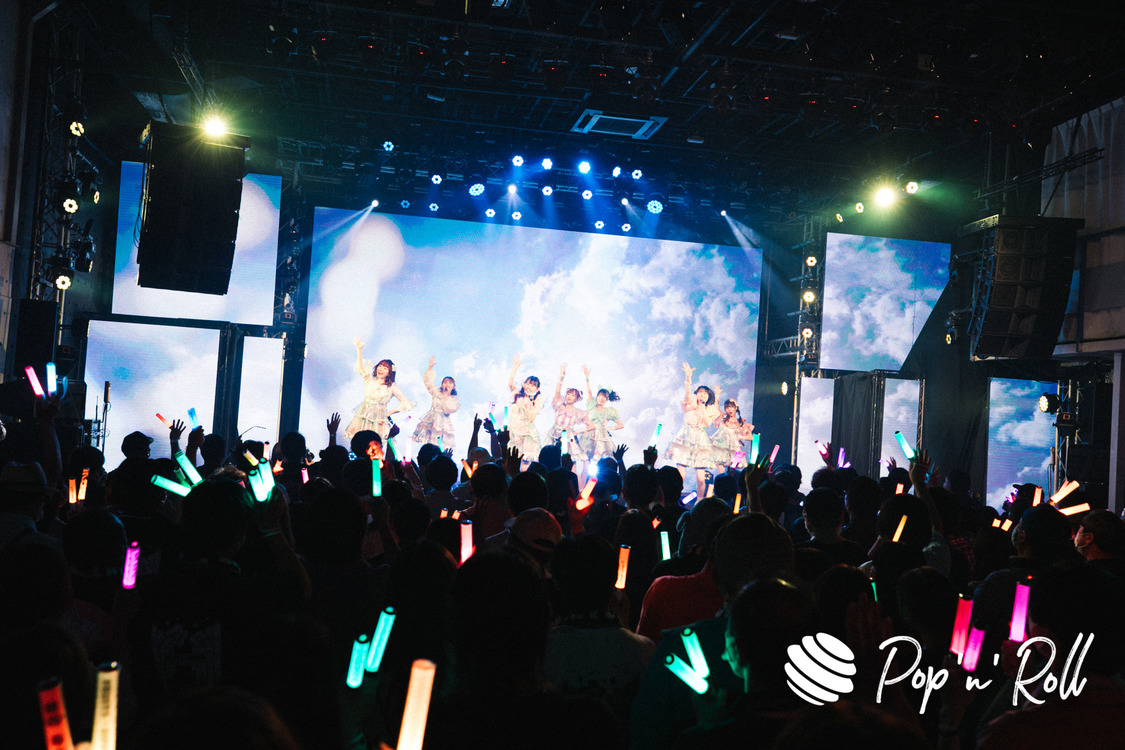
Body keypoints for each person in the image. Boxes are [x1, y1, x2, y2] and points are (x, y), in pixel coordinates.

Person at [665, 362, 721, 492]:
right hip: (685, 436)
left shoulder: (710, 409)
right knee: (681, 474)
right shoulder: (689, 405)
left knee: (701, 478)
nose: (702, 394)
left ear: (709, 396)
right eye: (700, 392)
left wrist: (702, 408)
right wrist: (688, 378)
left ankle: (700, 499)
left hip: (700, 439)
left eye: (705, 393)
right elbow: (687, 394)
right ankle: (675, 496)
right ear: (696, 394)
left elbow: (707, 423)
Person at [343, 339, 413, 441]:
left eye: (385, 368)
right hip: (363, 418)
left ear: (389, 372)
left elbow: (406, 403)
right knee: (359, 442)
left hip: (379, 422)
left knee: (375, 443)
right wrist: (359, 350)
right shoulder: (370, 380)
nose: (381, 369)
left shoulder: (392, 387)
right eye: (380, 366)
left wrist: (390, 412)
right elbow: (361, 368)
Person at [413, 356, 460, 453]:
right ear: (441, 385)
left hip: (443, 424)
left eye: (450, 383)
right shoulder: (436, 393)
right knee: (430, 446)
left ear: (453, 386)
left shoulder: (453, 400)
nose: (447, 384)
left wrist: (445, 396)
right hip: (432, 420)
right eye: (445, 382)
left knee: (441, 447)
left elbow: (448, 409)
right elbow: (429, 384)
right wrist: (430, 368)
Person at [545, 364, 588, 465]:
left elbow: (591, 426)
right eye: (568, 394)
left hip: (568, 438)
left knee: (568, 461)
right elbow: (557, 391)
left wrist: (577, 432)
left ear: (576, 399)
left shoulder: (578, 412)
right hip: (554, 435)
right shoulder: (559, 406)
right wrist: (561, 376)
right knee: (551, 459)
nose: (569, 396)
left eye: (572, 395)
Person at [507, 355, 543, 465]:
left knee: (526, 459)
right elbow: (510, 383)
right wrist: (515, 367)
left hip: (527, 432)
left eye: (532, 385)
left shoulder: (536, 400)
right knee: (513, 458)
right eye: (527, 383)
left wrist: (530, 403)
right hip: (514, 430)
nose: (529, 386)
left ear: (537, 389)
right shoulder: (518, 395)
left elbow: (531, 419)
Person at [583, 365, 624, 462]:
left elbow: (620, 425)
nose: (601, 398)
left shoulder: (610, 411)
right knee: (588, 460)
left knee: (602, 460)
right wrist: (587, 377)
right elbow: (588, 391)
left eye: (604, 397)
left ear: (607, 399)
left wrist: (608, 428)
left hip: (603, 438)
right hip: (590, 437)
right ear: (596, 397)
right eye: (599, 396)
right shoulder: (592, 406)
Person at [710, 399, 752, 473]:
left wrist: (740, 437)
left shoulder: (740, 423)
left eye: (732, 407)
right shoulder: (722, 418)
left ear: (736, 408)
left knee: (733, 474)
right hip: (721, 451)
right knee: (722, 474)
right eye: (727, 407)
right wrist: (717, 395)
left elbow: (751, 437)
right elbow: (715, 410)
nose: (730, 409)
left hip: (735, 451)